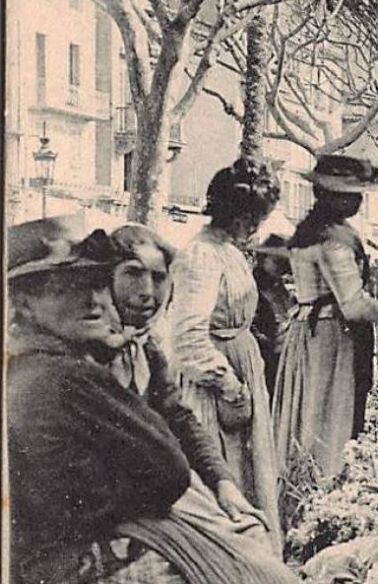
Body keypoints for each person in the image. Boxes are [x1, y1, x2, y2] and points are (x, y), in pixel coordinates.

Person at [4, 218, 334, 584]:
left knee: (255, 554)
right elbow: (164, 465)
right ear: (22, 303)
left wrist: (225, 486)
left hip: (119, 517)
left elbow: (175, 422)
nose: (90, 300)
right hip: (96, 539)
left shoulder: (74, 358)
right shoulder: (67, 371)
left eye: (89, 284)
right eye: (62, 287)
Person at [274, 155, 378, 482]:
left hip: (310, 331)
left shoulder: (310, 229)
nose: (357, 201)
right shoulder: (331, 240)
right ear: (329, 196)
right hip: (331, 337)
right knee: (331, 421)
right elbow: (354, 306)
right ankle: (321, 489)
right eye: (350, 194)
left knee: (309, 416)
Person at [107, 223, 263, 530]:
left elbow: (180, 419)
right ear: (106, 278)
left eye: (159, 278)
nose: (147, 292)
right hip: (124, 510)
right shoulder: (94, 351)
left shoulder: (147, 348)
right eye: (133, 274)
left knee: (251, 533)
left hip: (156, 497)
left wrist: (223, 482)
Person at [169, 157, 283, 538]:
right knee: (224, 478)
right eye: (249, 216)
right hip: (214, 385)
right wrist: (228, 385)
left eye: (259, 218)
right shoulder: (200, 256)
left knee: (252, 476)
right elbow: (186, 335)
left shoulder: (230, 251)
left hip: (242, 364)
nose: (254, 227)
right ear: (229, 211)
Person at [250, 234, 295, 397]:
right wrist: (270, 344)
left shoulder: (280, 288)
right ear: (263, 259)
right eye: (276, 262)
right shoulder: (252, 287)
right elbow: (248, 326)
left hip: (282, 360)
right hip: (264, 360)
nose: (281, 268)